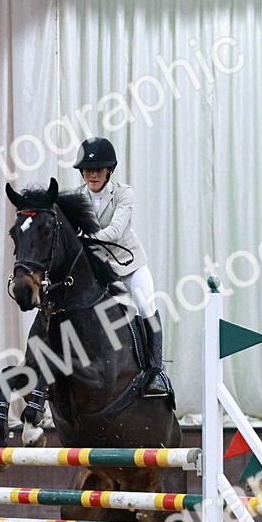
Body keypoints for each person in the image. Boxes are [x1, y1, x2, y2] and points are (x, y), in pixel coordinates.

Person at [72, 137, 171, 398]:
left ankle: (156, 372)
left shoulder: (124, 193)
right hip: (97, 268)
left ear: (109, 171)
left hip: (128, 264)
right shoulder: (75, 197)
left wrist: (82, 240)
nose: (93, 175)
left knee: (146, 306)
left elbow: (115, 231)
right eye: (88, 170)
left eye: (98, 170)